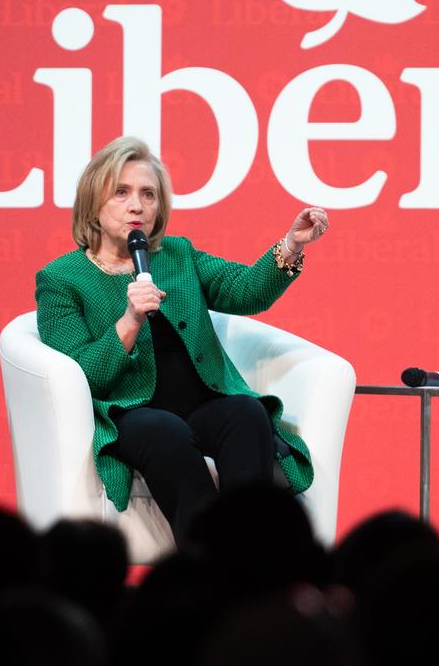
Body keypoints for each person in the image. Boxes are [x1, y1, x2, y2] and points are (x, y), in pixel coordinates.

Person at [35, 136, 329, 542]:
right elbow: (81, 375)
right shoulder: (62, 279)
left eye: (148, 194)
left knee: (246, 414)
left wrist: (291, 245)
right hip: (131, 413)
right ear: (93, 201)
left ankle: (251, 554)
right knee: (164, 431)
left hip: (203, 403)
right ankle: (208, 563)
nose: (137, 205)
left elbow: (244, 291)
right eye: (121, 192)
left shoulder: (177, 254)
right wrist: (129, 320)